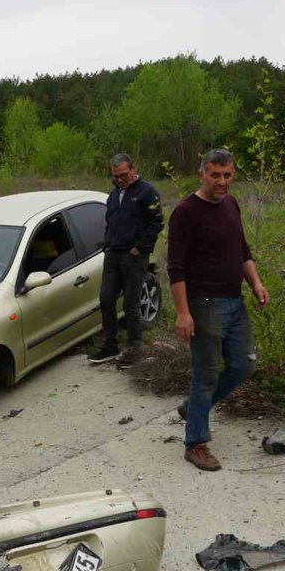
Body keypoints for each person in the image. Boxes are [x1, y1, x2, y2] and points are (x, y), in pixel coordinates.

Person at [167, 148, 269, 471]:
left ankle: (195, 407)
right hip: (204, 305)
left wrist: (256, 283)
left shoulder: (231, 205)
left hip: (235, 302)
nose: (222, 181)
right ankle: (195, 442)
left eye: (227, 175)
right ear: (202, 175)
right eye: (215, 175)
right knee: (206, 374)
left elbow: (242, 250)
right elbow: (176, 268)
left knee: (243, 364)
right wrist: (183, 313)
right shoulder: (185, 212)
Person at [87, 153, 164, 365]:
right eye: (115, 177)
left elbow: (156, 223)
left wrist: (140, 248)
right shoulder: (113, 195)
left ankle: (134, 348)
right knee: (106, 299)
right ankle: (110, 345)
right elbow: (111, 222)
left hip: (134, 256)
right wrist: (107, 244)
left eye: (123, 175)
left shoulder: (147, 192)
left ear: (133, 169)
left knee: (131, 302)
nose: (120, 180)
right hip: (113, 253)